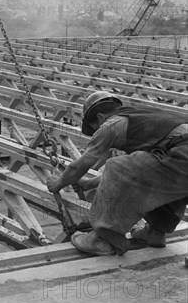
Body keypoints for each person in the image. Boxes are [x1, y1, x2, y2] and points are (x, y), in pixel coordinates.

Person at [47, 91, 188, 255]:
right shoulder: (142, 120)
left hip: (181, 155)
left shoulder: (111, 125)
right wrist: (87, 183)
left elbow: (80, 165)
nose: (97, 133)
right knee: (150, 177)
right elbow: (136, 174)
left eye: (94, 129)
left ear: (100, 118)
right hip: (180, 160)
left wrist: (58, 183)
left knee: (114, 165)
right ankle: (155, 232)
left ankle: (101, 238)